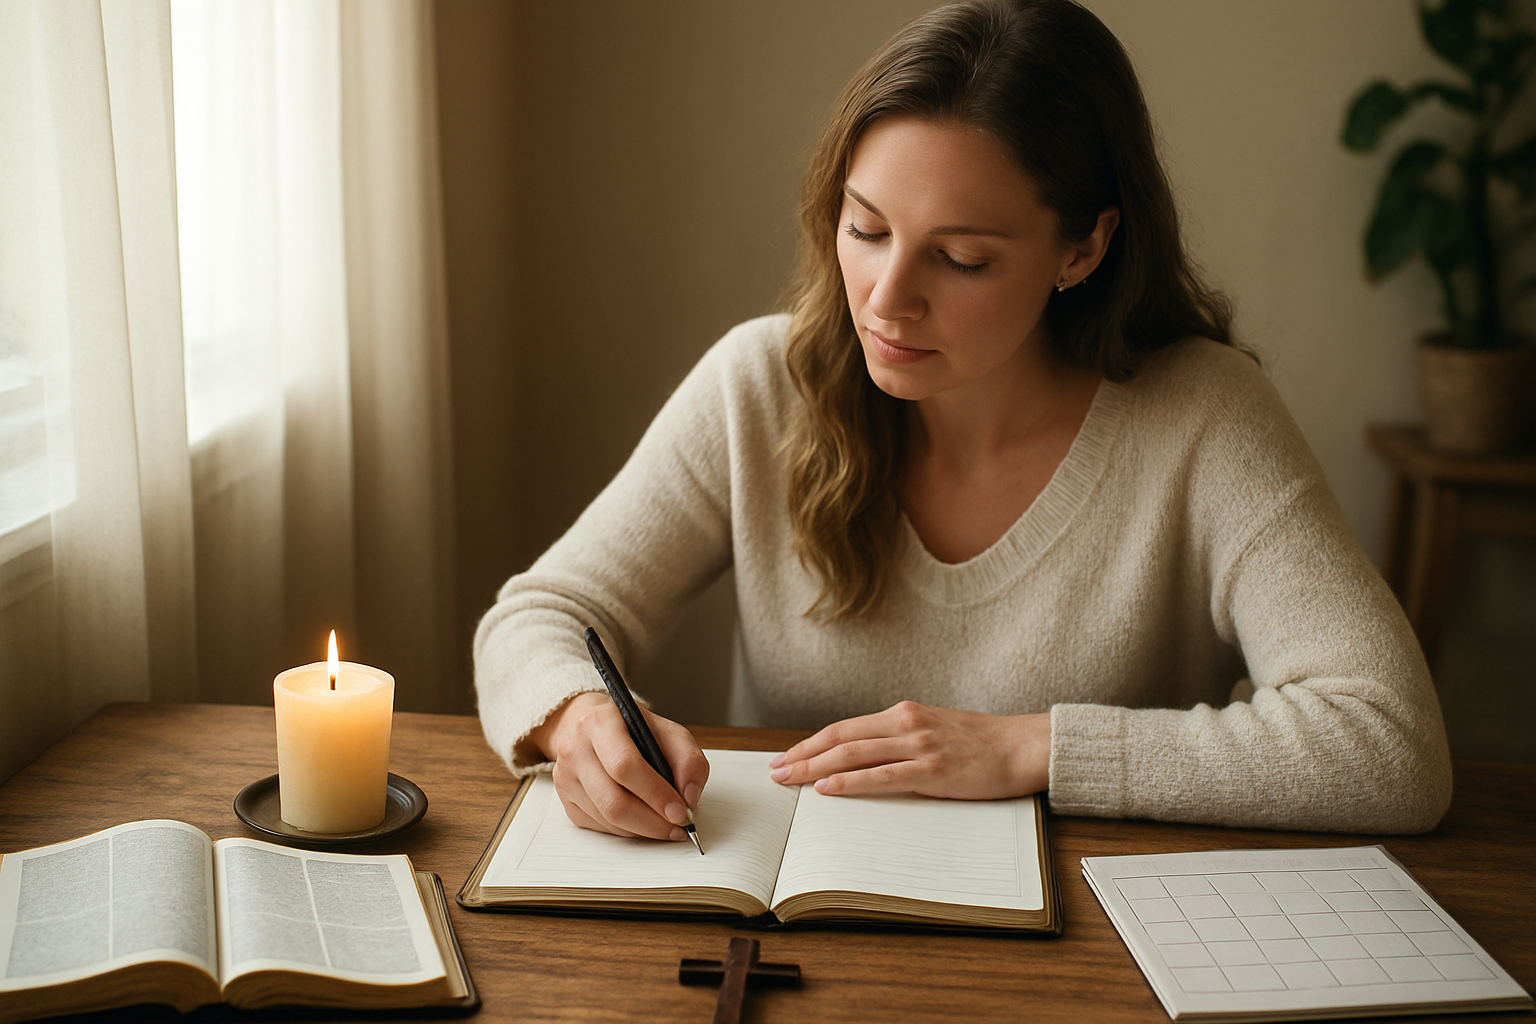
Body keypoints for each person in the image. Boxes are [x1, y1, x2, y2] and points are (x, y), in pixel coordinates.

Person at [473, 0, 1452, 842]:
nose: (886, 300)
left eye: (962, 258)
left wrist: (1028, 746)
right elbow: (539, 616)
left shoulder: (1204, 416)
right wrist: (573, 717)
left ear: (1084, 247)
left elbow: (1390, 743)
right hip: (788, 935)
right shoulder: (759, 384)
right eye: (866, 229)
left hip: (1099, 958)